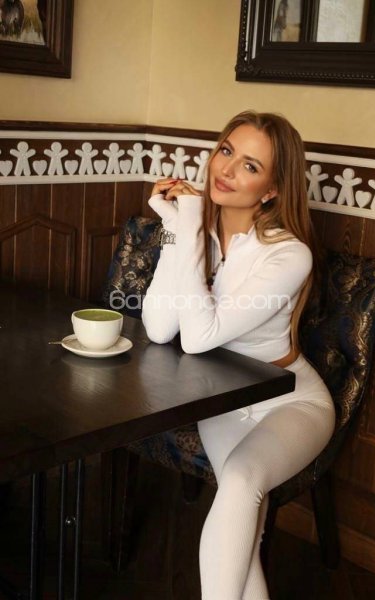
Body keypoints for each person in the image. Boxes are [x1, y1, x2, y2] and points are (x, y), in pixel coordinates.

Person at [142, 110, 336, 600]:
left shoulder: (289, 255)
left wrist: (186, 223)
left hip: (292, 400)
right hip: (223, 399)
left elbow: (199, 337)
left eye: (250, 165)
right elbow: (159, 328)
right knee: (242, 520)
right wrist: (175, 228)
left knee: (241, 480)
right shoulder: (198, 231)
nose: (226, 170)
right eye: (227, 151)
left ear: (271, 190)